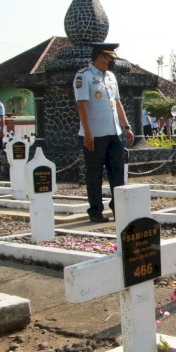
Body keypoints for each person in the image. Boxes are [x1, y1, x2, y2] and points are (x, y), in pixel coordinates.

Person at [73, 42, 135, 223]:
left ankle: (119, 208)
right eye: (109, 57)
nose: (110, 61)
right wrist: (87, 133)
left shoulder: (110, 77)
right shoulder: (83, 76)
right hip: (94, 134)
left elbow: (117, 103)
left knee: (117, 172)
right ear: (100, 56)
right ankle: (95, 211)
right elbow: (82, 106)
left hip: (113, 133)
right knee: (94, 174)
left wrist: (127, 127)